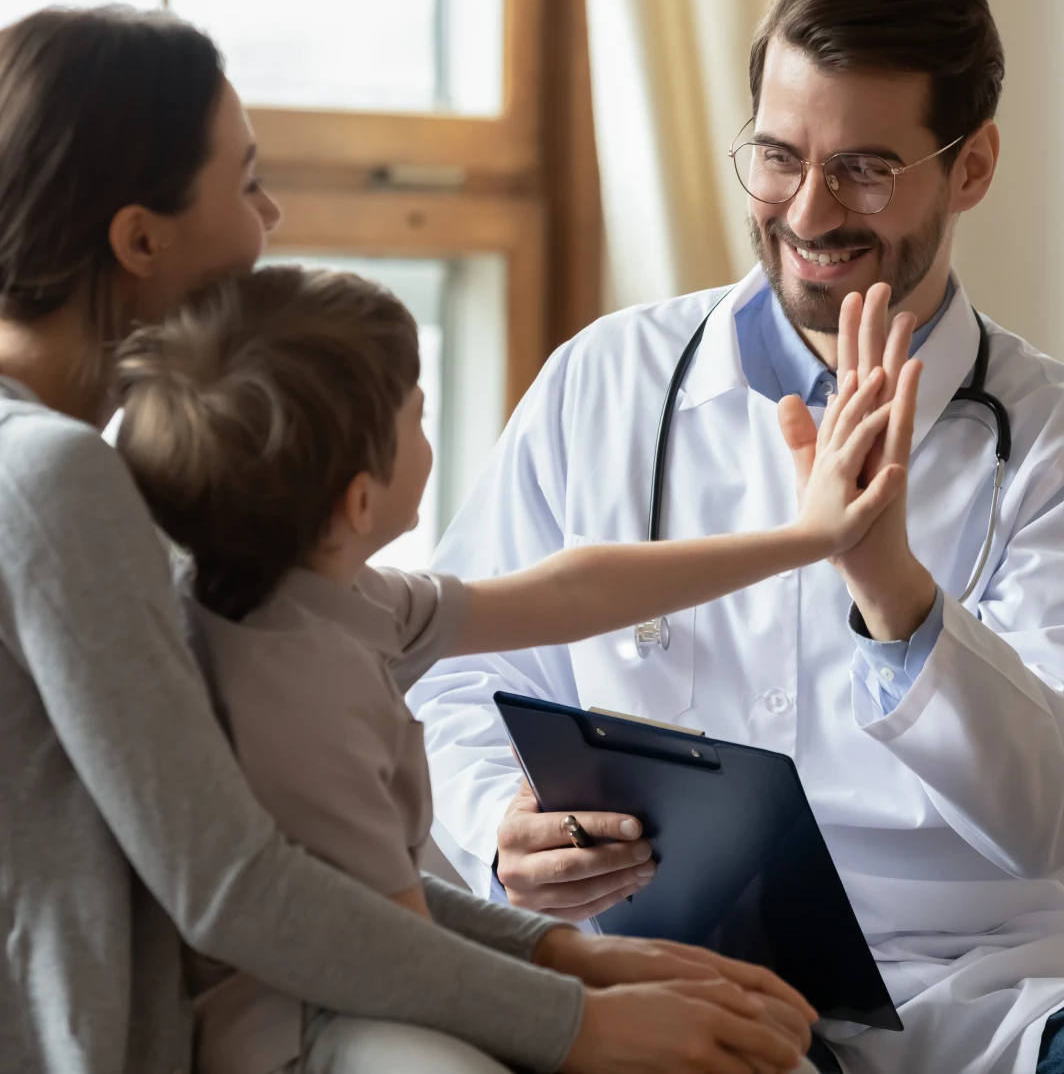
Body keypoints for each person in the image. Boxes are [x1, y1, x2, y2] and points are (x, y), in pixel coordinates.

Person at [0, 5, 819, 1074]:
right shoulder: (54, 482)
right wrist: (578, 1017)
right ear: (139, 236)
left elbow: (308, 857)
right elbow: (234, 879)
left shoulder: (97, 475)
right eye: (244, 182)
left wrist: (577, 957)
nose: (271, 215)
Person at [411, 0, 1064, 1074]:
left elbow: (1045, 807)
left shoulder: (1045, 436)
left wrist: (890, 591)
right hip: (663, 970)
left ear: (970, 169)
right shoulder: (602, 381)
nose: (806, 212)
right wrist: (499, 826)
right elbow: (456, 666)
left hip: (968, 997)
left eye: (864, 167)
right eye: (775, 157)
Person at [113, 262, 910, 1073]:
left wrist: (806, 539)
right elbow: (398, 949)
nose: (431, 432)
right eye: (417, 418)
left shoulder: (329, 597)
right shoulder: (309, 697)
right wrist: (588, 1004)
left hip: (392, 963)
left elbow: (567, 592)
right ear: (358, 504)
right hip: (307, 1025)